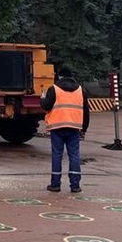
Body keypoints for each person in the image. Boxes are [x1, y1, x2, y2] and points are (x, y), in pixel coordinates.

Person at [42, 65, 90, 193]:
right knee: (74, 155)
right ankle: (75, 185)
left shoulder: (54, 89)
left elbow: (46, 106)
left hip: (57, 127)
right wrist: (84, 128)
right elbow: (86, 111)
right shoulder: (81, 90)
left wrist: (42, 98)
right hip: (74, 127)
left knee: (57, 155)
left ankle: (55, 184)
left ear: (59, 76)